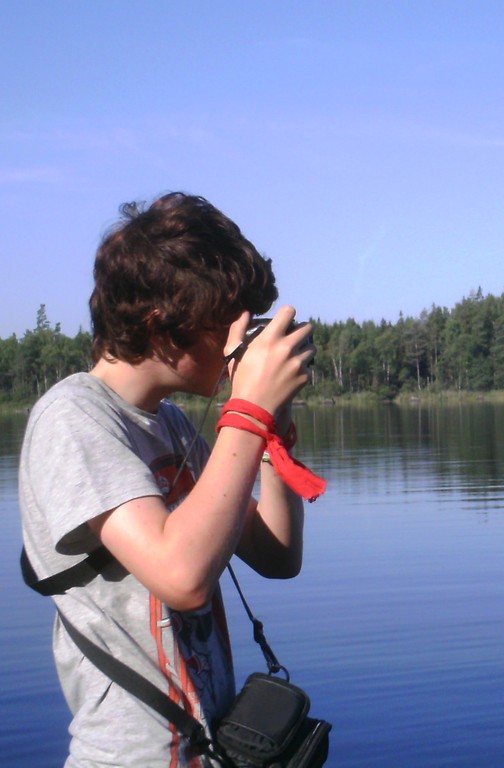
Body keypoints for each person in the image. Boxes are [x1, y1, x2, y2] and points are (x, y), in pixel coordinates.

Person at [19, 192, 316, 767]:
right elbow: (182, 577)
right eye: (228, 323)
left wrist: (271, 430)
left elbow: (277, 555)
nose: (240, 343)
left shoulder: (172, 424)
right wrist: (248, 409)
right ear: (162, 324)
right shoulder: (72, 416)